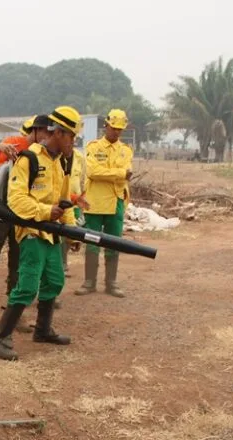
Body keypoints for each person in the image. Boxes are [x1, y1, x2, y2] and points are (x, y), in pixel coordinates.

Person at [0, 106, 84, 361]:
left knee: (54, 281)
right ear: (60, 133)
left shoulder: (63, 161)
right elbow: (17, 201)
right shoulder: (28, 159)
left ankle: (42, 330)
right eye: (72, 137)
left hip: (52, 233)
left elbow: (64, 201)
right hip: (31, 231)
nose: (73, 143)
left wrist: (72, 232)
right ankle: (0, 335)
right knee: (28, 286)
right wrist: (45, 211)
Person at [0, 115, 51, 335]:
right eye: (46, 133)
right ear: (37, 130)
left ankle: (14, 312)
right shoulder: (17, 144)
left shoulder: (45, 155)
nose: (48, 138)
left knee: (17, 267)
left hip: (22, 217)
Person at [75, 109, 133, 298]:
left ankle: (111, 283)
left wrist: (112, 173)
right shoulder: (93, 147)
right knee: (92, 242)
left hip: (116, 201)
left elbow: (126, 172)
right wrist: (119, 174)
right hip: (95, 202)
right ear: (105, 126)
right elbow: (93, 172)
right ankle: (89, 282)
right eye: (113, 127)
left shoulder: (126, 151)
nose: (116, 132)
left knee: (114, 243)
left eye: (120, 129)